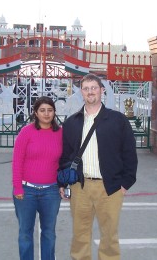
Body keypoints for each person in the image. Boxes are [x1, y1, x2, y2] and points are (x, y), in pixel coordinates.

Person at [59, 73, 138, 260]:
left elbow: (129, 153)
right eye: (86, 89)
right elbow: (65, 156)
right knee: (80, 235)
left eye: (94, 88)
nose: (90, 92)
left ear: (102, 90)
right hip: (81, 186)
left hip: (109, 187)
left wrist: (126, 182)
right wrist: (61, 183)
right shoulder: (72, 122)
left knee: (109, 236)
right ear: (81, 92)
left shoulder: (117, 120)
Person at [12, 96, 63, 260]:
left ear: (54, 112)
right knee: (25, 233)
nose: (46, 114)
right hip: (26, 192)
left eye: (50, 110)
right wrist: (17, 187)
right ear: (35, 113)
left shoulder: (61, 133)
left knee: (49, 232)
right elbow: (17, 161)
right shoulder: (26, 132)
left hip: (51, 192)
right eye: (42, 110)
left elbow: (65, 161)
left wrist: (64, 185)